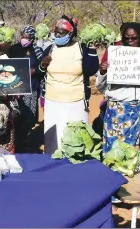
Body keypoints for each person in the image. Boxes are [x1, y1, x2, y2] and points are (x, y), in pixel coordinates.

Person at [96, 22, 140, 157]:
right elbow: (101, 87)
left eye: (134, 38)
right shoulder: (116, 56)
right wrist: (102, 73)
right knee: (116, 154)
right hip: (118, 113)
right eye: (127, 38)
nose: (130, 41)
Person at [39, 16, 99, 155]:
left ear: (71, 33)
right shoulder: (50, 49)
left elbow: (91, 69)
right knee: (54, 141)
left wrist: (92, 49)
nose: (58, 35)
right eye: (56, 32)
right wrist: (43, 65)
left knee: (75, 139)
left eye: (62, 33)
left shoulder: (81, 48)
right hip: (53, 101)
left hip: (76, 102)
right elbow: (40, 72)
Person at [7, 25, 44, 151]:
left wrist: (35, 71)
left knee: (30, 116)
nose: (25, 39)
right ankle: (15, 139)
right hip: (15, 88)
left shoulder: (37, 51)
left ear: (32, 39)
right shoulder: (13, 49)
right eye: (23, 36)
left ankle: (25, 138)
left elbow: (43, 68)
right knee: (17, 114)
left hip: (31, 88)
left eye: (28, 37)